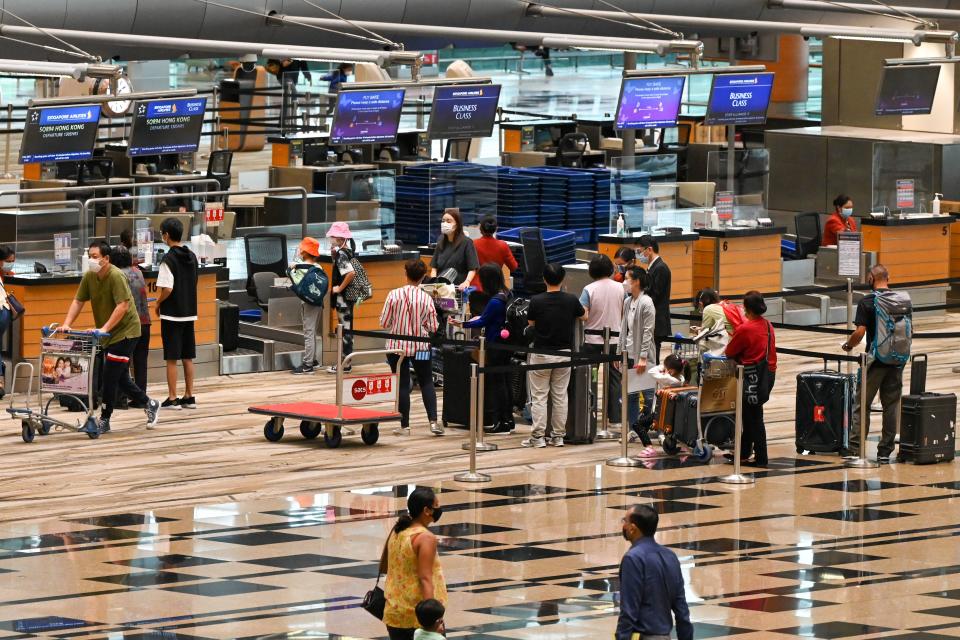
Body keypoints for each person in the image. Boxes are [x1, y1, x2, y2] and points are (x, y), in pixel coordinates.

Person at [60, 241, 160, 433]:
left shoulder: (116, 276)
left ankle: (104, 419)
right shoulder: (90, 276)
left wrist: (103, 327)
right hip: (108, 334)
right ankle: (150, 403)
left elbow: (122, 305)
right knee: (121, 377)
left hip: (126, 331)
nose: (91, 260)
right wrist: (67, 323)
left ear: (106, 259)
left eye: (95, 256)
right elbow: (78, 300)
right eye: (90, 256)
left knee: (109, 375)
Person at [842, 264, 906, 463]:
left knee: (862, 404)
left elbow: (860, 333)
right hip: (897, 360)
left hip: (876, 360)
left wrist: (848, 345)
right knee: (891, 405)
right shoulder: (901, 300)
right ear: (888, 277)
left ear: (871, 277)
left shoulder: (867, 301)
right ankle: (885, 451)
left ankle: (855, 448)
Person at [522, 263, 584, 448]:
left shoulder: (536, 300)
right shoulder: (571, 300)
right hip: (564, 354)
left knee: (539, 396)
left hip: (541, 353)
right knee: (560, 396)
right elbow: (584, 316)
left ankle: (538, 437)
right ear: (563, 279)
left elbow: (531, 322)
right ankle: (558, 437)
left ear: (544, 279)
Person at [380, 259, 440, 437]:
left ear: (405, 274)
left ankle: (404, 425)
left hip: (396, 348)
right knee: (426, 380)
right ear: (423, 276)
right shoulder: (426, 298)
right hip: (420, 347)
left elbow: (384, 323)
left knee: (402, 383)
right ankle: (433, 422)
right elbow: (433, 327)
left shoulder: (393, 295)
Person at [617, 504, 693, 640]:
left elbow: (629, 611)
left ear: (633, 529)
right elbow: (682, 610)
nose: (623, 525)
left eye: (625, 521)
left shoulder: (633, 558)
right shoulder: (670, 556)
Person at [382, 487, 447, 640]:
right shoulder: (425, 538)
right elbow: (425, 578)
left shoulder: (398, 530)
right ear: (427, 510)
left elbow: (387, 566)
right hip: (417, 617)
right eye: (436, 506)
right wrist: (431, 620)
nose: (439, 509)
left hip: (395, 612)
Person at [457, 264, 514, 433]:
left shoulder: (495, 301)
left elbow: (483, 321)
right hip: (507, 343)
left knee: (497, 384)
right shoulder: (507, 294)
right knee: (505, 381)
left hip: (494, 344)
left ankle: (500, 421)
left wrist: (462, 323)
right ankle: (508, 419)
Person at [724, 291, 776, 467]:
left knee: (753, 417)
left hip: (751, 376)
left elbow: (730, 352)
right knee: (750, 414)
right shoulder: (768, 325)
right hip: (768, 375)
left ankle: (762, 458)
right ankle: (743, 453)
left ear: (747, 308)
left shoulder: (745, 329)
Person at [155, 218, 199, 410]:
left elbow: (167, 289)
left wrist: (157, 303)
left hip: (172, 314)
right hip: (189, 312)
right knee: (187, 356)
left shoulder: (168, 259)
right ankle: (189, 396)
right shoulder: (192, 256)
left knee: (171, 357)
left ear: (166, 235)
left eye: (162, 233)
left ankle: (172, 398)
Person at [580, 254, 625, 428]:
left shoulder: (588, 289)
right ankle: (614, 418)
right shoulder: (621, 288)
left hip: (592, 340)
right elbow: (625, 311)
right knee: (615, 378)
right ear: (611, 269)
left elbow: (583, 314)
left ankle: (588, 412)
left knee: (589, 377)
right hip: (615, 340)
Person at [618, 267, 657, 443]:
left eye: (627, 278)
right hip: (629, 352)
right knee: (630, 394)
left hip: (644, 355)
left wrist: (642, 357)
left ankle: (646, 426)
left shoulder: (647, 302)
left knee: (649, 394)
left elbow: (648, 331)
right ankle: (633, 428)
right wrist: (620, 353)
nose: (624, 281)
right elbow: (623, 329)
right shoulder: (627, 302)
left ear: (637, 281)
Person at [111, 245, 151, 405]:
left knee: (122, 362)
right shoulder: (138, 272)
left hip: (128, 326)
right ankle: (140, 398)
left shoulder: (118, 276)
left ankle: (120, 398)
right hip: (145, 322)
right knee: (141, 363)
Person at [635, 354, 687, 455]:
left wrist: (663, 367)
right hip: (674, 414)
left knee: (637, 424)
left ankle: (649, 448)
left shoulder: (667, 379)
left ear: (671, 371)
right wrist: (666, 369)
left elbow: (651, 371)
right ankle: (681, 445)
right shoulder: (681, 378)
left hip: (661, 413)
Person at [290, 237, 327, 375]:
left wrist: (292, 269)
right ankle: (314, 360)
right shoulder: (318, 267)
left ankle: (307, 364)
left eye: (301, 249)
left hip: (308, 303)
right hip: (318, 303)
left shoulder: (300, 268)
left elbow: (296, 283)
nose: (299, 250)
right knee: (313, 332)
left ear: (305, 252)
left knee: (308, 333)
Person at [327, 221, 357, 374]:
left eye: (333, 236)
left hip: (343, 299)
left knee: (344, 329)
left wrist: (339, 288)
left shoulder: (342, 254)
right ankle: (347, 361)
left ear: (339, 238)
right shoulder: (349, 251)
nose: (331, 238)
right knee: (348, 328)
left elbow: (350, 273)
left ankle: (344, 363)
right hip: (349, 298)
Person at [639, 235, 672, 363]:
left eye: (641, 251)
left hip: (656, 319)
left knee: (654, 355)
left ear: (649, 249)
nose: (640, 254)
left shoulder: (661, 268)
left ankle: (653, 382)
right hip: (651, 317)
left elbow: (656, 295)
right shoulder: (652, 267)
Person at [430, 208, 479, 292]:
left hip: (458, 289)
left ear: (457, 224)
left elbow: (472, 268)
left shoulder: (466, 242)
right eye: (443, 221)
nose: (445, 223)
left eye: (449, 221)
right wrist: (434, 282)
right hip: (440, 290)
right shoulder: (440, 240)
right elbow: (434, 268)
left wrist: (467, 282)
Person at [470, 216, 518, 292]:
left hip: (476, 288)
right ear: (496, 229)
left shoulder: (473, 244)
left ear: (480, 229)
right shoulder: (503, 245)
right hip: (496, 288)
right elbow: (513, 267)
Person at [693, 288, 744, 355]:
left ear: (700, 303)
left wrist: (698, 331)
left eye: (699, 308)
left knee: (701, 342)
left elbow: (704, 332)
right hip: (741, 340)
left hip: (730, 344)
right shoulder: (725, 304)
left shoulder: (708, 309)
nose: (701, 310)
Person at [0, 245, 16, 397]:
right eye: (8, 261)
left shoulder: (4, 273)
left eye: (12, 261)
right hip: (4, 313)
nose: (10, 264)